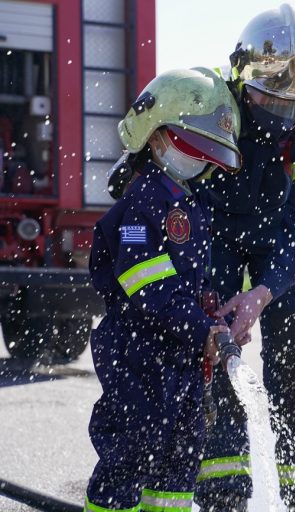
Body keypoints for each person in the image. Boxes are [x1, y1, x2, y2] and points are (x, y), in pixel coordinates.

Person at [193, 5, 295, 512]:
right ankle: (222, 491)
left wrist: (265, 290)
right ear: (243, 79)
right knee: (212, 349)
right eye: (272, 100)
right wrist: (211, 296)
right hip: (216, 234)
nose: (284, 116)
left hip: (288, 241)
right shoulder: (207, 104)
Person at [84, 68, 242, 512]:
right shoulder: (143, 203)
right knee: (132, 452)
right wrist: (200, 329)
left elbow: (193, 281)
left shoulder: (190, 201)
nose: (200, 159)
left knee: (181, 454)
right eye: (192, 147)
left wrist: (216, 320)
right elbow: (148, 288)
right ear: (155, 139)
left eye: (207, 152)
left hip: (180, 352)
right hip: (138, 350)